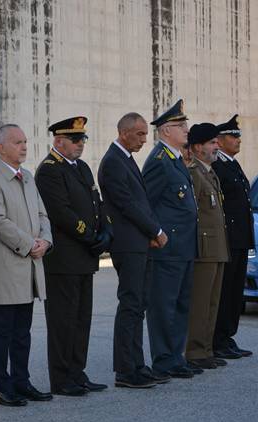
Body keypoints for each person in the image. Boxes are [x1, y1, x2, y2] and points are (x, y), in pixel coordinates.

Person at [35, 116, 110, 397]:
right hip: (64, 259)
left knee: (81, 320)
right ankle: (62, 378)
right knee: (63, 322)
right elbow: (61, 213)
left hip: (84, 257)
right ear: (58, 141)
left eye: (82, 140)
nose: (80, 145)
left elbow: (96, 202)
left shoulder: (82, 168)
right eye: (75, 140)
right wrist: (90, 236)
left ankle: (77, 372)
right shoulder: (50, 171)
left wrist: (105, 230)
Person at [0, 124, 53, 407]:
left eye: (25, 141)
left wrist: (44, 241)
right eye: (17, 142)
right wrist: (29, 244)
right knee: (3, 330)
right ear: (1, 147)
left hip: (31, 264)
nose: (23, 146)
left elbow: (43, 214)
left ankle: (22, 382)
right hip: (8, 265)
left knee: (23, 330)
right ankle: (3, 386)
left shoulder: (28, 177)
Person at [98, 112, 170, 389]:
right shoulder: (113, 161)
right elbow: (128, 204)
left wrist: (150, 233)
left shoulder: (125, 159)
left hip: (139, 242)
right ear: (124, 132)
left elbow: (141, 202)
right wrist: (156, 230)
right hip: (128, 245)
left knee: (138, 305)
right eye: (139, 134)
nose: (144, 139)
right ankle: (126, 370)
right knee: (130, 304)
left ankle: (138, 365)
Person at [141, 99, 200, 379]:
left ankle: (176, 356)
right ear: (165, 131)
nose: (186, 129)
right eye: (181, 125)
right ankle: (164, 359)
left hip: (184, 247)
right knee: (164, 306)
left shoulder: (175, 159)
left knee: (180, 303)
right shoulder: (159, 161)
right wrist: (156, 233)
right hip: (167, 248)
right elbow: (145, 204)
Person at [184, 123, 230, 370]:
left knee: (212, 302)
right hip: (203, 248)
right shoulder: (193, 173)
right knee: (200, 304)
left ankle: (206, 349)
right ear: (198, 147)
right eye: (212, 143)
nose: (217, 146)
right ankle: (193, 351)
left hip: (216, 248)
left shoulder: (209, 173)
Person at [212, 114, 255, 359]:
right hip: (228, 238)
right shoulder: (218, 166)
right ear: (219, 140)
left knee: (235, 291)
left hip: (240, 239)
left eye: (238, 136)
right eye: (233, 136)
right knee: (225, 291)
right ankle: (218, 339)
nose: (238, 140)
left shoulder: (232, 164)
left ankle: (228, 337)